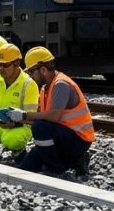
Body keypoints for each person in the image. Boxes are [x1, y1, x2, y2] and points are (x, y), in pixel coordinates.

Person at [8, 46, 95, 177]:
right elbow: (43, 118)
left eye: (31, 72)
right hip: (63, 137)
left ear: (43, 69)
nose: (30, 76)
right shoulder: (45, 89)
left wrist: (24, 115)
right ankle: (76, 161)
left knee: (39, 128)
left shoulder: (60, 84)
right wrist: (16, 120)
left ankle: (57, 170)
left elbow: (53, 117)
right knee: (27, 166)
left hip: (78, 140)